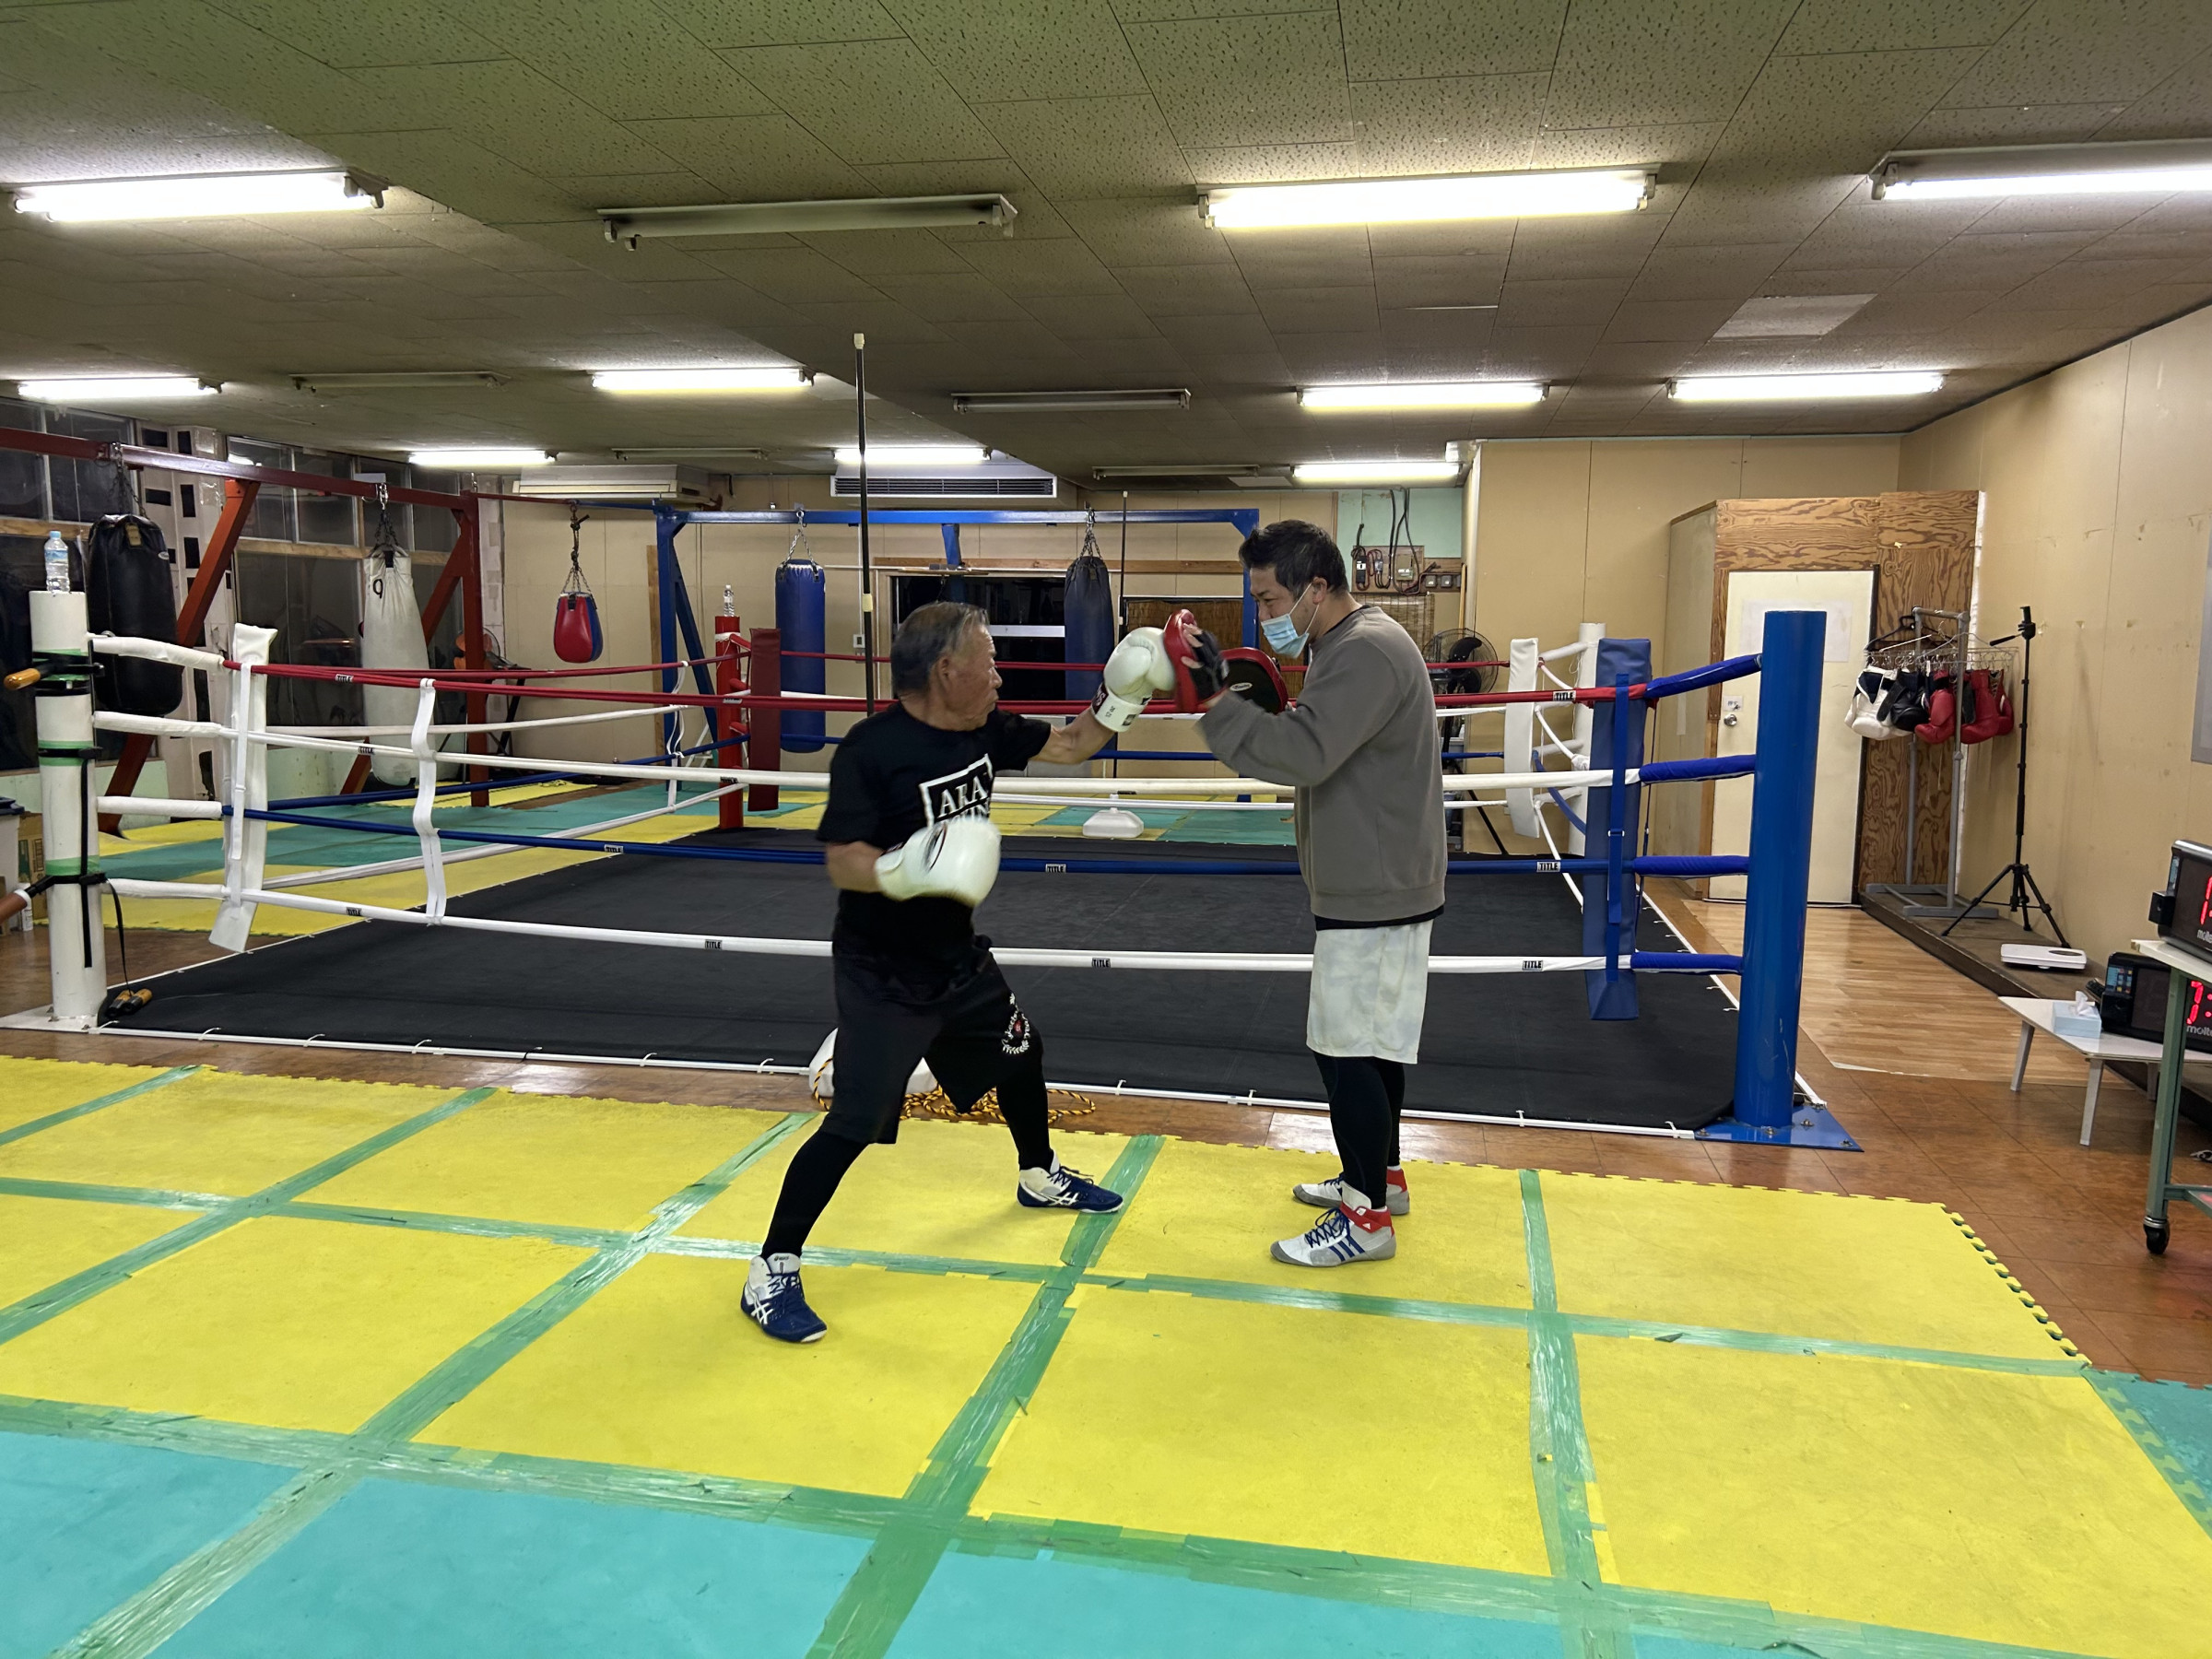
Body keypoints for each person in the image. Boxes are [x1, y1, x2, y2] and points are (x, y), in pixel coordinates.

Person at [743, 598, 1191, 1341]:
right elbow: (843, 860)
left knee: (1022, 1053)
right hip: (883, 970)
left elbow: (1073, 744)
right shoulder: (872, 750)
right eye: (989, 661)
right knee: (855, 1121)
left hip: (956, 954)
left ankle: (1038, 1175)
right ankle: (772, 1267)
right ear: (946, 670)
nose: (999, 675)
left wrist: (1125, 694)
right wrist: (904, 869)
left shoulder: (987, 728)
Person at [1191, 522, 1445, 1267]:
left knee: (1347, 1050)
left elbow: (1302, 754)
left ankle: (1366, 1221)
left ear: (1318, 588)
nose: (1264, 613)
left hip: (1377, 886)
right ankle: (1381, 1180)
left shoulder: (1365, 650)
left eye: (1272, 599)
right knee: (1369, 1044)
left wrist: (1213, 704)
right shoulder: (1344, 644)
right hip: (1373, 878)